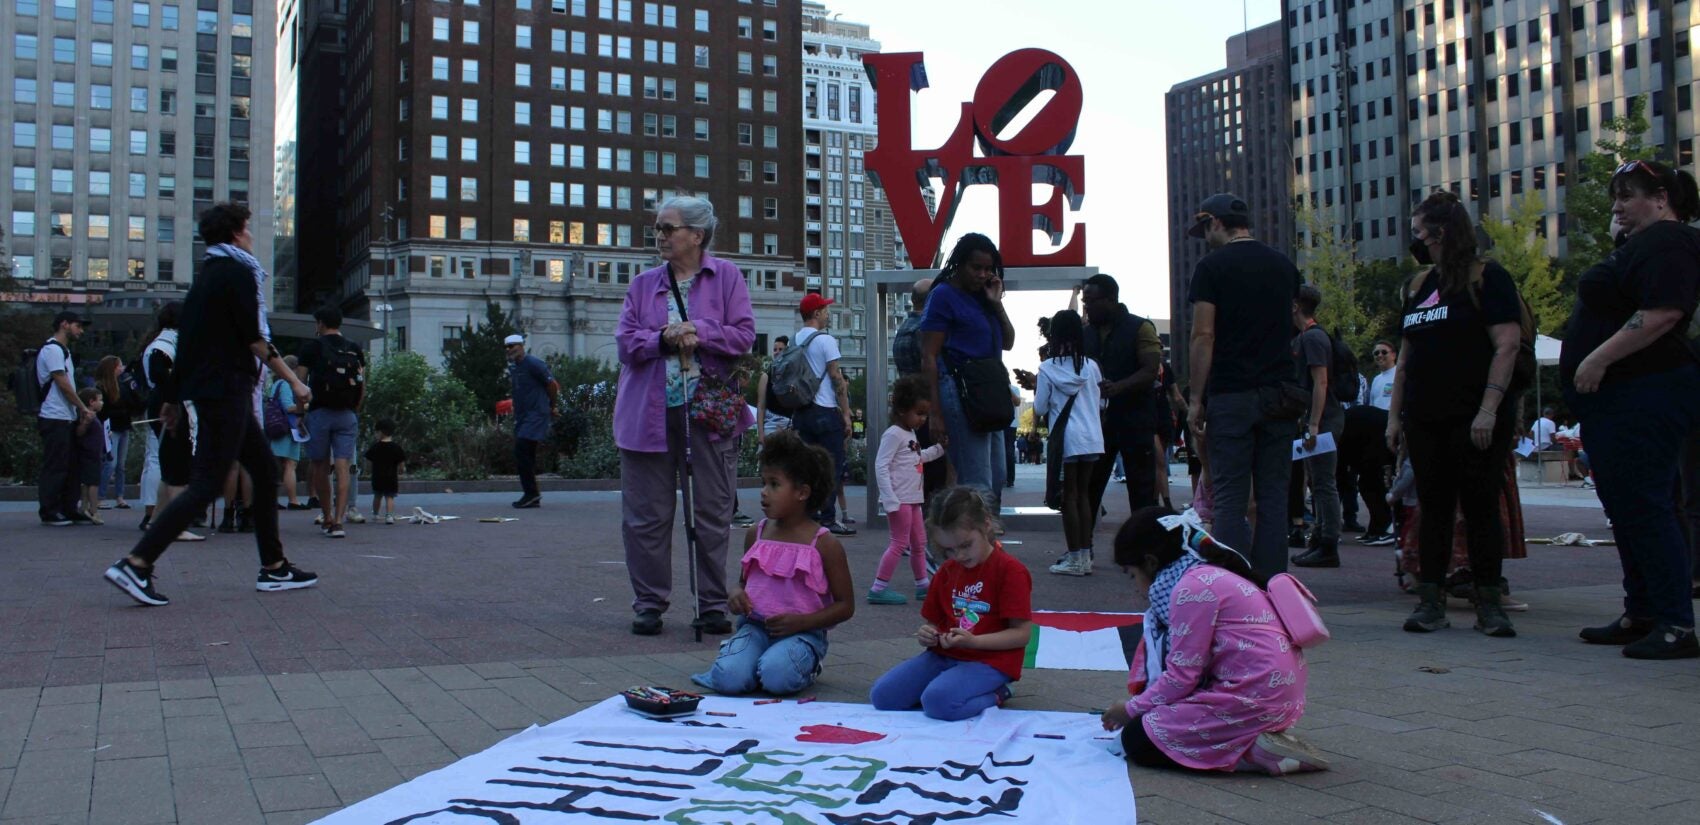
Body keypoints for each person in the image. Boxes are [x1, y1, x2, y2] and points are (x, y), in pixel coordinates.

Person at [103, 202, 318, 606]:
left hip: (217, 388)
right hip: (228, 388)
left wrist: (171, 395)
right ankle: (137, 562)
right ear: (237, 232)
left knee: (264, 470)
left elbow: (191, 342)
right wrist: (295, 382)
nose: (252, 236)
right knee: (206, 483)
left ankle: (274, 567)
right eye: (248, 229)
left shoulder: (206, 276)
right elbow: (254, 338)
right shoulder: (237, 272)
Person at [1564, 160, 1700, 659]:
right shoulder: (1642, 245)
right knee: (1627, 506)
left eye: (1628, 196)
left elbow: (1664, 310)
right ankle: (1643, 610)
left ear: (1662, 198)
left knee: (1646, 504)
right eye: (1615, 196)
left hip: (1647, 390)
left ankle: (1674, 623)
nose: (1617, 206)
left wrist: (1598, 358)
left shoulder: (1671, 240)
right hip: (1622, 397)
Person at [616, 195, 756, 637]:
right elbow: (625, 343)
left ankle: (712, 604)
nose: (659, 236)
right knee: (646, 517)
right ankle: (649, 604)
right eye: (657, 227)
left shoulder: (727, 277)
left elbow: (744, 336)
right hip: (647, 418)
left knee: (712, 512)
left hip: (710, 416)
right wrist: (662, 338)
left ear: (697, 235)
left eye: (667, 228)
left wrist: (700, 331)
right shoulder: (642, 285)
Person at [1100, 507, 1326, 776]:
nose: (1136, 586)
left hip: (1252, 700)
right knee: (1148, 723)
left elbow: (1182, 677)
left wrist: (1129, 709)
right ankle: (1252, 739)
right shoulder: (1206, 575)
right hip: (1276, 699)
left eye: (1132, 575)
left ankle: (1254, 751)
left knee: (1137, 740)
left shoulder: (1190, 590)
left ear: (1150, 562)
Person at [1387, 190, 1521, 638]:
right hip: (1425, 417)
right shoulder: (1418, 285)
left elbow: (1507, 344)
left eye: (1418, 230)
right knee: (1434, 507)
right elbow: (1405, 358)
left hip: (1475, 418)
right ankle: (1430, 599)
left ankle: (1488, 601)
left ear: (1440, 232)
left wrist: (1488, 409)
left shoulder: (1488, 278)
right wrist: (1394, 418)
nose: (1414, 238)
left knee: (1481, 507)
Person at [1185, 193, 1303, 577]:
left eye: (1205, 228)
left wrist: (1195, 398)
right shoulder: (1284, 266)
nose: (1205, 237)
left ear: (1216, 222)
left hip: (1232, 393)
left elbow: (1204, 334)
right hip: (1280, 393)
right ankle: (1272, 587)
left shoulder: (1212, 268)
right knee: (1273, 497)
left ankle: (1236, 587)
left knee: (1231, 498)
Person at [691, 430, 854, 695]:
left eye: (774, 484)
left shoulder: (824, 544)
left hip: (803, 634)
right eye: (763, 483)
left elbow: (846, 606)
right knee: (728, 679)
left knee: (777, 678)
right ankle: (750, 661)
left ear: (802, 492)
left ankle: (803, 664)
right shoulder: (756, 533)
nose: (764, 492)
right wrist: (735, 593)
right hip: (755, 628)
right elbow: (744, 581)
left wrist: (803, 622)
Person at [870, 486, 1032, 721]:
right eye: (949, 549)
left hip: (991, 661)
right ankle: (947, 689)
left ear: (986, 524)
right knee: (883, 697)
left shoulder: (1010, 571)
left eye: (966, 545)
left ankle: (998, 693)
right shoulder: (947, 571)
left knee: (938, 703)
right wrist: (929, 634)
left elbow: (1021, 634)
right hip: (945, 655)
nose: (960, 556)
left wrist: (975, 642)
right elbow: (933, 622)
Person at [919, 234, 1017, 508]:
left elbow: (1008, 341)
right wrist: (935, 414)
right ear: (960, 264)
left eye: (988, 269)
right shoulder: (943, 296)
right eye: (976, 267)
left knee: (996, 477)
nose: (983, 274)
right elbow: (928, 356)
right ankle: (968, 546)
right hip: (959, 390)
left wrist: (997, 303)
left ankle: (976, 543)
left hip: (988, 393)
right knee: (977, 481)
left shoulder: (985, 299)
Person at [1080, 274, 1162, 526]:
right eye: (1085, 301)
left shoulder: (1141, 327)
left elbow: (1151, 370)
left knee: (1142, 490)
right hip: (1099, 425)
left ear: (1111, 299)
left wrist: (1119, 387)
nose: (1087, 307)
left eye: (1091, 301)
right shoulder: (1086, 333)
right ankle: (1083, 550)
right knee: (1089, 489)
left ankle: (1146, 552)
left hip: (1135, 420)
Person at [1035, 310, 1105, 577]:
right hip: (1092, 437)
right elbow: (1101, 403)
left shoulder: (1048, 368)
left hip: (1067, 440)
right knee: (1085, 496)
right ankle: (1086, 556)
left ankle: (1074, 558)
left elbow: (1040, 407)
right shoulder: (1091, 366)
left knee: (1069, 498)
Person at [869, 375, 946, 605]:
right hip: (901, 499)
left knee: (919, 543)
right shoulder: (893, 434)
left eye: (925, 413)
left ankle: (923, 585)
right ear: (903, 409)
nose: (923, 419)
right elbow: (880, 465)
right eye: (919, 413)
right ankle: (878, 587)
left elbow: (915, 458)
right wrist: (890, 498)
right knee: (900, 543)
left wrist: (938, 450)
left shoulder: (909, 434)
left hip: (911, 499)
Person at [1290, 285, 1347, 568]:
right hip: (1321, 419)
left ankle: (1327, 544)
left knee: (1324, 483)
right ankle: (1320, 540)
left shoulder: (1312, 338)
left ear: (1296, 306)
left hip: (1323, 420)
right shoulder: (1309, 336)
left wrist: (1313, 424)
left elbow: (1320, 382)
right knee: (1317, 481)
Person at [791, 293, 857, 536]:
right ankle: (828, 519)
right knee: (831, 467)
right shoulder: (825, 340)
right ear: (816, 313)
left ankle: (807, 516)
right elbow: (836, 378)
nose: (828, 314)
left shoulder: (794, 339)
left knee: (806, 467)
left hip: (801, 412)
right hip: (825, 411)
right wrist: (847, 414)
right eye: (825, 310)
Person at [300, 305, 366, 538]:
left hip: (319, 413)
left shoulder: (312, 348)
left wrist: (300, 414)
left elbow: (300, 385)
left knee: (319, 466)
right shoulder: (354, 348)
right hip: (347, 414)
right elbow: (362, 384)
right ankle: (339, 520)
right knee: (343, 466)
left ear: (320, 324)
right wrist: (353, 409)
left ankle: (326, 516)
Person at [36, 310, 97, 526]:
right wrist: (82, 407)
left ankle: (68, 508)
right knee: (56, 465)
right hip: (54, 416)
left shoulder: (63, 351)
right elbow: (62, 383)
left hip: (64, 416)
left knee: (71, 465)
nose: (80, 330)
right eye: (78, 326)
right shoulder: (52, 350)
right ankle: (50, 510)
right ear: (64, 324)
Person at [1341, 341, 1398, 545]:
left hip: (1392, 428)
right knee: (1367, 480)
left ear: (1394, 354)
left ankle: (1389, 526)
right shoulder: (1376, 380)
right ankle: (1377, 526)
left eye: (1384, 352)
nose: (1379, 356)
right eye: (1375, 353)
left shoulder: (1400, 374)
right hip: (1373, 433)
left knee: (1386, 481)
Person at [137, 303, 181, 532]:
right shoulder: (166, 345)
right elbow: (162, 376)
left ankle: (154, 513)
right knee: (163, 460)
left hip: (159, 401)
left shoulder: (157, 343)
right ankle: (157, 513)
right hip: (166, 403)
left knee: (157, 459)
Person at [504, 334, 559, 508]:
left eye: (512, 346)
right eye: (506, 347)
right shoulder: (516, 367)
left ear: (521, 346)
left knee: (522, 449)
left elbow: (552, 385)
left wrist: (552, 405)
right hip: (524, 416)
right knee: (526, 454)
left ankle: (531, 494)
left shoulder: (534, 364)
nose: (509, 350)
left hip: (536, 415)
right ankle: (532, 495)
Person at [93, 355, 133, 511]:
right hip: (111, 427)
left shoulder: (123, 385)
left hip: (124, 426)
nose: (122, 369)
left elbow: (131, 403)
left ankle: (119, 496)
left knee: (121, 465)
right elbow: (104, 410)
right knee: (111, 463)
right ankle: (100, 496)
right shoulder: (102, 387)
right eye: (119, 366)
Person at [269, 356, 308, 510]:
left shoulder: (276, 383)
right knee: (290, 464)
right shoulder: (285, 384)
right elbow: (288, 407)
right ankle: (292, 500)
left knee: (280, 464)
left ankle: (276, 498)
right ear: (294, 368)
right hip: (288, 428)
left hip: (280, 427)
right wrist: (306, 406)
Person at [76, 387, 110, 525]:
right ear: (91, 402)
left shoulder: (93, 417)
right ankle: (93, 510)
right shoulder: (88, 417)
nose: (102, 403)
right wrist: (85, 423)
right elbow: (80, 432)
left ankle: (84, 507)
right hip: (91, 455)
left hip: (92, 453)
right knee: (94, 483)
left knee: (86, 483)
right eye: (100, 400)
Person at [364, 418, 406, 524]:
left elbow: (368, 462)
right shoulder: (396, 447)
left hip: (377, 477)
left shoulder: (375, 447)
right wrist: (401, 470)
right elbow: (401, 463)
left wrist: (368, 471)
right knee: (389, 497)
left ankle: (375, 514)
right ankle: (389, 516)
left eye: (376, 432)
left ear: (380, 432)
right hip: (391, 477)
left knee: (377, 496)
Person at [753, 335, 793, 437]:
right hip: (771, 423)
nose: (777, 352)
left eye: (781, 349)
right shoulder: (766, 376)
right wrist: (760, 433)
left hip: (790, 424)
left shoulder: (792, 375)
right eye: (775, 349)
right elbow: (761, 406)